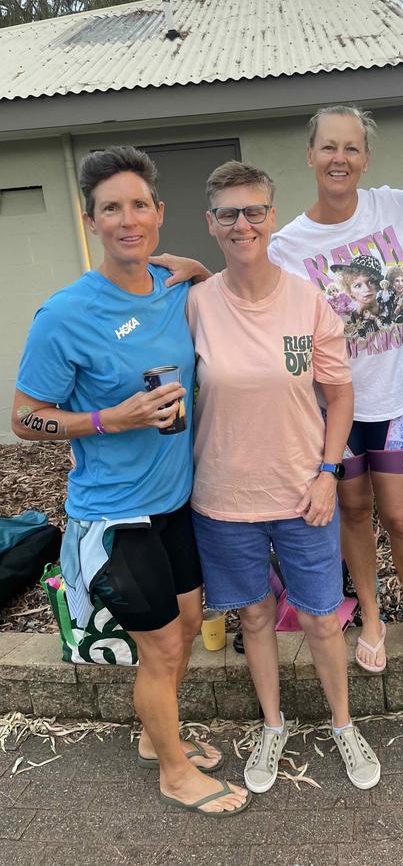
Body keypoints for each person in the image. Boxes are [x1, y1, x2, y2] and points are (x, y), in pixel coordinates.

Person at [153, 111, 403, 676]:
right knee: (353, 513)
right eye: (329, 147)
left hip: (395, 397)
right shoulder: (287, 243)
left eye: (352, 148)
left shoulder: (397, 208)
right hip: (329, 404)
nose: (340, 158)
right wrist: (196, 272)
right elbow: (246, 282)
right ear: (310, 155)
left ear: (366, 158)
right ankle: (375, 616)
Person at [11, 146, 250, 816]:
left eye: (138, 205)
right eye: (110, 208)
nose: (127, 219)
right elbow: (27, 418)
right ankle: (173, 769)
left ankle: (157, 732)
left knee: (191, 622)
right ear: (91, 221)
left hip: (175, 502)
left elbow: (223, 293)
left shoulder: (175, 287)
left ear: (158, 212)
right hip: (117, 514)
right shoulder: (65, 314)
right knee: (163, 643)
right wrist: (108, 418)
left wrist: (203, 269)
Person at [187, 160, 381, 793]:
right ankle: (273, 726)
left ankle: (342, 723)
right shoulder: (194, 305)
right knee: (255, 620)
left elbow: (340, 395)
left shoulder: (308, 301)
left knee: (324, 618)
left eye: (255, 211)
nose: (243, 224)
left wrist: (329, 472)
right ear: (211, 224)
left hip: (303, 494)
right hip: (222, 498)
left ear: (272, 216)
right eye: (228, 214)